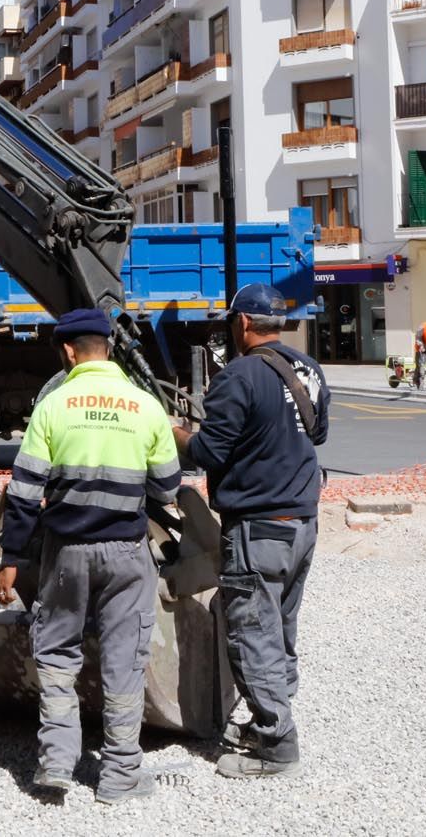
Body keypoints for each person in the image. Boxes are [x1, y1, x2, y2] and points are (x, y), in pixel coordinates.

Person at [0, 307, 181, 805]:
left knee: (56, 653)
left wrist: (11, 557)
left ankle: (56, 763)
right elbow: (167, 487)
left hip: (66, 553)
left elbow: (24, 490)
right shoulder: (145, 406)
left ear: (69, 352)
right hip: (126, 552)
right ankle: (118, 776)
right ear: (109, 349)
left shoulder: (54, 406)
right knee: (124, 659)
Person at [174, 283, 330, 779]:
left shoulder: (238, 376)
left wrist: (174, 431)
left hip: (258, 527)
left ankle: (277, 746)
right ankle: (272, 719)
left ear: (242, 324)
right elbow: (318, 433)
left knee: (251, 633)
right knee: (279, 629)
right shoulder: (309, 369)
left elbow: (206, 453)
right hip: (302, 522)